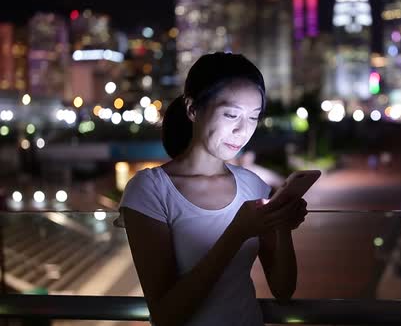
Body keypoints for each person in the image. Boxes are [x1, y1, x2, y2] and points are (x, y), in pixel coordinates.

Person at [115, 52, 308, 326]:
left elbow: (283, 289)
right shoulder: (150, 190)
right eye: (231, 114)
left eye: (253, 118)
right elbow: (165, 316)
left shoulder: (252, 185)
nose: (243, 131)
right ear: (193, 108)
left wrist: (282, 225)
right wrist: (237, 232)